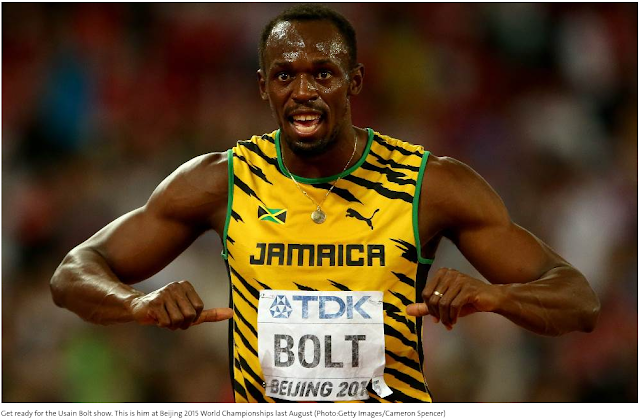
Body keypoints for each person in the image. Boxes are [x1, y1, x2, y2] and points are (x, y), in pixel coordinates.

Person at [50, 4, 600, 403]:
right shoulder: (222, 181)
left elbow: (577, 300)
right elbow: (73, 273)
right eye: (284, 76)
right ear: (264, 87)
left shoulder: (429, 184)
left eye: (323, 73)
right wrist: (138, 303)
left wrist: (498, 296)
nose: (303, 91)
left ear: (353, 82)